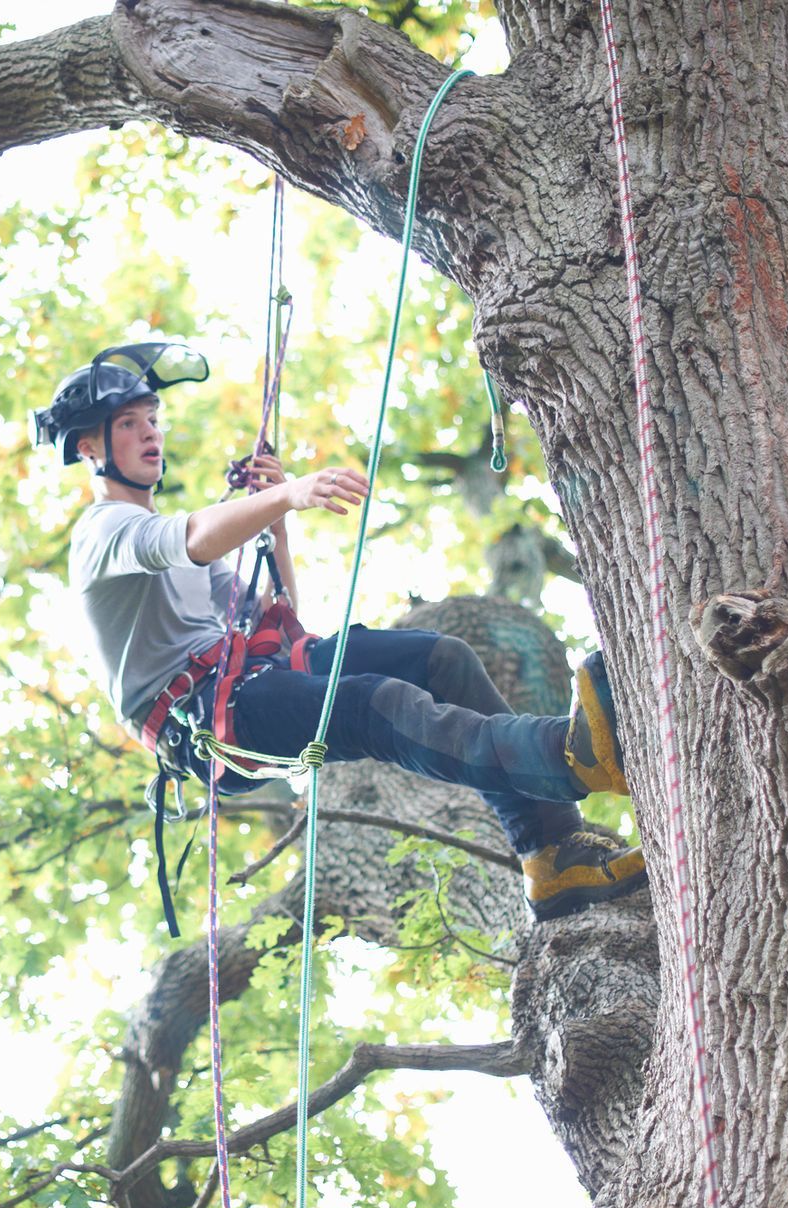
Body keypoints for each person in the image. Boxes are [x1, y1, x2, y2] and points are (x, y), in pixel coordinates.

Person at [33, 341, 645, 923]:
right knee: (373, 705)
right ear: (90, 448)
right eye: (129, 424)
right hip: (209, 720)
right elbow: (190, 538)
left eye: (152, 419)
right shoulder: (103, 531)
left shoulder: (174, 538)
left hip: (254, 678)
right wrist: (290, 497)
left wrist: (277, 530)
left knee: (443, 659)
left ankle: (553, 851)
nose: (150, 434)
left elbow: (279, 619)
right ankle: (564, 756)